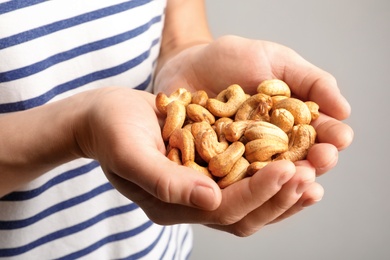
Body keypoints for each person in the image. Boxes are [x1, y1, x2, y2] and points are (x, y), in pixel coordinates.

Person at [0, 0, 353, 259]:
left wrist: (185, 52)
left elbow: (177, 27)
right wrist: (78, 129)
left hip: (152, 248)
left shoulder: (234, 126)